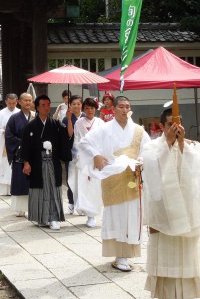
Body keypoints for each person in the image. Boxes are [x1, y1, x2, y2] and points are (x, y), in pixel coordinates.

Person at [142, 108, 200, 299]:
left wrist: (181, 146)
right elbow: (150, 173)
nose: (175, 128)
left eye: (178, 124)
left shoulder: (193, 147)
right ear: (163, 126)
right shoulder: (152, 148)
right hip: (164, 215)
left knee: (186, 264)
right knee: (164, 263)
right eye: (170, 125)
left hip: (186, 216)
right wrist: (168, 145)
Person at [79, 95, 150, 272]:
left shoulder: (138, 130)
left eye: (127, 107)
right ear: (113, 109)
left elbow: (148, 149)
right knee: (116, 215)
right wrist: (96, 155)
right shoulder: (105, 129)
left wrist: (141, 159)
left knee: (132, 215)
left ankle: (127, 253)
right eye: (121, 107)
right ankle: (119, 255)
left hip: (132, 176)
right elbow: (84, 142)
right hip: (113, 178)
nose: (125, 110)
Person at [21, 94, 73, 230]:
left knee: (53, 189)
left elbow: (68, 136)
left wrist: (68, 119)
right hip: (37, 162)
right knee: (40, 189)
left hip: (52, 162)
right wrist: (26, 162)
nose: (46, 107)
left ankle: (54, 217)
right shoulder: (31, 126)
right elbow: (25, 145)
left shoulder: (56, 124)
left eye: (48, 105)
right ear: (37, 107)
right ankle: (41, 217)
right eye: (43, 105)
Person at [69, 97, 104, 227]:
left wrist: (98, 154)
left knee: (96, 186)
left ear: (96, 109)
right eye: (87, 108)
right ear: (84, 109)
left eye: (92, 108)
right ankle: (88, 214)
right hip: (84, 158)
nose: (90, 111)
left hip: (97, 158)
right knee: (84, 186)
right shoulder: (79, 122)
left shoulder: (100, 122)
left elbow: (104, 140)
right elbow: (78, 141)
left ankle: (93, 214)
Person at [5, 92, 34, 216]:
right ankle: (20, 208)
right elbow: (9, 136)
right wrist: (22, 142)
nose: (28, 102)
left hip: (33, 154)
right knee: (20, 180)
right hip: (19, 153)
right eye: (25, 100)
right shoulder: (14, 118)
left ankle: (33, 206)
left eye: (30, 100)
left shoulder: (36, 116)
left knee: (33, 182)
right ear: (20, 102)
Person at [62, 94, 84, 215]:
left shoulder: (86, 116)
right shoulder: (66, 118)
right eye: (74, 104)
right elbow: (69, 135)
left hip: (84, 152)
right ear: (70, 105)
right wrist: (69, 119)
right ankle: (71, 201)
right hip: (71, 152)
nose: (76, 106)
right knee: (71, 177)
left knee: (83, 177)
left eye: (78, 104)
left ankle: (81, 202)